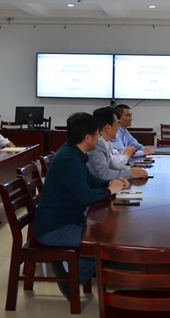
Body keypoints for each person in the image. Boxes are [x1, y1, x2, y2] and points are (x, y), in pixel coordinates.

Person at [35, 112, 128, 296]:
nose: (98, 138)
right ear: (87, 138)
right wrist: (110, 191)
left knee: (103, 235)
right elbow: (85, 196)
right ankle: (72, 279)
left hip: (69, 219)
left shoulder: (73, 151)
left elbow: (90, 180)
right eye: (97, 135)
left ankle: (80, 269)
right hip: (54, 228)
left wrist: (110, 183)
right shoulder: (68, 158)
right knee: (99, 244)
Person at [87, 107, 149, 181]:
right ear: (107, 127)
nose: (118, 128)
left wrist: (129, 169)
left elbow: (111, 164)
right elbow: (104, 174)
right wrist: (130, 174)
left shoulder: (105, 142)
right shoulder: (97, 144)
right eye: (116, 125)